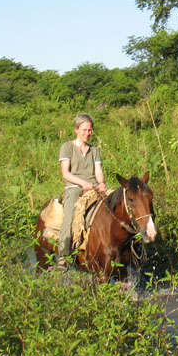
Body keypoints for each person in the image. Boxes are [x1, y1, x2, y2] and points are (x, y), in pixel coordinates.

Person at [57, 113, 107, 266]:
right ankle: (63, 255)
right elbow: (66, 173)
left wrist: (102, 183)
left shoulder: (94, 150)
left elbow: (97, 170)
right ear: (76, 130)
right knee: (70, 217)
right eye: (84, 130)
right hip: (75, 187)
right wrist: (82, 183)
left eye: (90, 130)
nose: (87, 133)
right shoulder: (67, 147)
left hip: (93, 187)